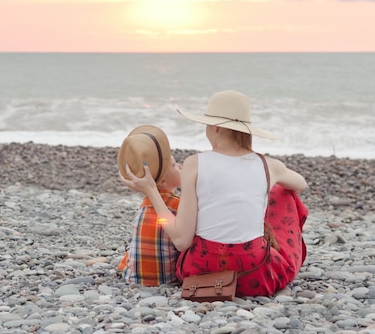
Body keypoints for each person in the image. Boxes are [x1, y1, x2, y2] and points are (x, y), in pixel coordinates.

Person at [120, 90, 309, 297]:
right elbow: (301, 184)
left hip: (200, 273)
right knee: (283, 193)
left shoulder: (194, 164)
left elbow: (182, 241)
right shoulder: (269, 166)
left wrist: (151, 190)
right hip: (257, 275)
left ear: (217, 128)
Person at [116, 125, 183, 286]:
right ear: (164, 182)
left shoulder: (145, 203)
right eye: (174, 165)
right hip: (166, 279)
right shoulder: (177, 204)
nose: (180, 166)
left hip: (134, 278)